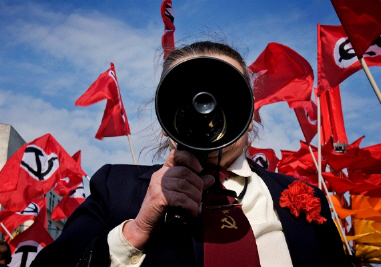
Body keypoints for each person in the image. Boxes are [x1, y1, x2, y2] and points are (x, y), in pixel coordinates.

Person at [31, 41, 352, 267]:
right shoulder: (117, 189)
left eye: (225, 93)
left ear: (250, 111)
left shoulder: (304, 197)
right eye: (190, 95)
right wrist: (136, 231)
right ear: (165, 112)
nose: (206, 109)